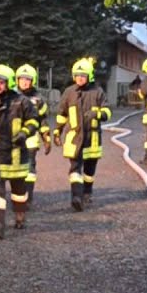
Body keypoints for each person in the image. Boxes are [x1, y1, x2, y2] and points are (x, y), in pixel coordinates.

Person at [0, 64, 40, 239]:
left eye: (2, 82)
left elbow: (34, 122)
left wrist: (24, 133)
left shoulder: (22, 102)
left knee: (19, 191)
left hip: (18, 155)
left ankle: (20, 217)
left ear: (10, 82)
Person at [52, 57, 112, 211]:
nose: (79, 77)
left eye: (83, 75)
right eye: (77, 75)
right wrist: (57, 131)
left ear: (89, 76)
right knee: (74, 168)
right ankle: (76, 197)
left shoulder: (97, 92)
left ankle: (87, 192)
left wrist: (97, 113)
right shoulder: (69, 92)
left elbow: (107, 112)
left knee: (89, 170)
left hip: (92, 138)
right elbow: (61, 114)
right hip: (74, 137)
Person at [14, 63, 51, 204]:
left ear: (33, 81)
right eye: (22, 78)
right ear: (17, 80)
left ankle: (27, 197)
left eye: (27, 79)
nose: (24, 82)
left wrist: (46, 139)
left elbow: (43, 121)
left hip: (30, 140)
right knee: (14, 170)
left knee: (29, 169)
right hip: (14, 140)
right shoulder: (11, 96)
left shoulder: (38, 101)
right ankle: (17, 196)